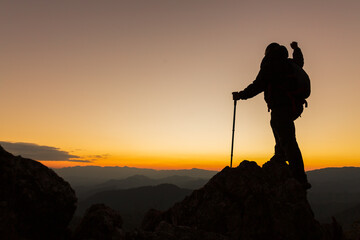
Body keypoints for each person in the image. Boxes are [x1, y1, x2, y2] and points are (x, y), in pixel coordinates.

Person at [232, 42, 311, 189]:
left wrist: (240, 95)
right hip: (295, 105)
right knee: (278, 127)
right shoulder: (288, 63)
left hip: (282, 106)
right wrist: (296, 49)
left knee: (287, 139)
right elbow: (300, 62)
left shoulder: (271, 66)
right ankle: (280, 156)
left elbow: (257, 86)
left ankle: (300, 178)